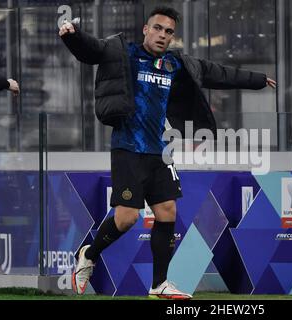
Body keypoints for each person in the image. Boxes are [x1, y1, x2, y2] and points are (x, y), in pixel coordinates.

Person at [59, 6, 276, 300]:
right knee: (126, 218)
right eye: (158, 28)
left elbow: (217, 73)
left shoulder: (176, 64)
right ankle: (89, 253)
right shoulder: (124, 53)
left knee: (167, 211)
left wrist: (259, 79)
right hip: (128, 149)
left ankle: (159, 284)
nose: (163, 35)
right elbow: (91, 50)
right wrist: (72, 36)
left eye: (169, 31)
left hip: (159, 152)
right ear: (146, 29)